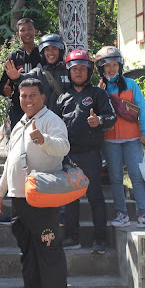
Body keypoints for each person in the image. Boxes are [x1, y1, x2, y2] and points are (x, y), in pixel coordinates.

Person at [0, 78, 70, 288]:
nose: (27, 100)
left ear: (42, 98)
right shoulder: (19, 124)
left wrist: (43, 140)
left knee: (49, 250)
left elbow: (63, 147)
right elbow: (10, 162)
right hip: (18, 197)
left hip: (42, 196)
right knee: (28, 251)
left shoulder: (51, 121)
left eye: (32, 95)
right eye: (23, 95)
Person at [53, 50, 116, 254]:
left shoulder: (98, 94)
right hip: (68, 155)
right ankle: (72, 237)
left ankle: (100, 240)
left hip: (91, 154)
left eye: (82, 69)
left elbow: (111, 117)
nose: (78, 72)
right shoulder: (62, 97)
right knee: (70, 199)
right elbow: (54, 124)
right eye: (74, 69)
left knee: (95, 197)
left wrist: (99, 120)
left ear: (89, 71)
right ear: (68, 71)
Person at [95, 46, 145, 228]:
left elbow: (142, 108)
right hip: (109, 139)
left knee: (136, 176)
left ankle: (144, 213)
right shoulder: (100, 88)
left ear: (120, 66)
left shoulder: (130, 84)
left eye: (115, 65)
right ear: (101, 68)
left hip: (132, 137)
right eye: (107, 66)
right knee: (116, 178)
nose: (111, 69)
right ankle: (122, 214)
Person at [2, 33, 69, 111]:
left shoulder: (68, 72)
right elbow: (26, 78)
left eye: (54, 48)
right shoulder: (39, 72)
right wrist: (17, 77)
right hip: (45, 119)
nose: (50, 52)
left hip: (65, 118)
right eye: (47, 49)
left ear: (60, 51)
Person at [0, 18, 41, 129]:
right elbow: (3, 85)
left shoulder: (42, 54)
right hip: (18, 108)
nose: (27, 33)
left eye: (30, 29)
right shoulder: (14, 57)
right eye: (23, 30)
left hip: (41, 108)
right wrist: (6, 90)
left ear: (35, 31)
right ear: (18, 34)